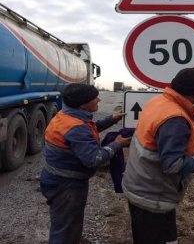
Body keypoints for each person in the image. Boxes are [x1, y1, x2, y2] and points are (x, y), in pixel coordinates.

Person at [122, 68, 194, 244]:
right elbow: (173, 165)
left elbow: (183, 99)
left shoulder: (160, 101)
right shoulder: (175, 120)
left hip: (141, 186)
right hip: (153, 198)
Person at [40, 83, 131, 244]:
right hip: (67, 186)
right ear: (83, 104)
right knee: (65, 231)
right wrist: (117, 144)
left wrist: (111, 120)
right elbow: (93, 159)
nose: (99, 99)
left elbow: (87, 132)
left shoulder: (67, 116)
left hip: (57, 180)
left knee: (66, 225)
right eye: (94, 98)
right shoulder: (76, 128)